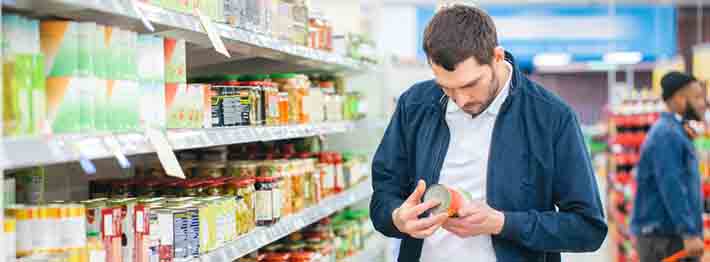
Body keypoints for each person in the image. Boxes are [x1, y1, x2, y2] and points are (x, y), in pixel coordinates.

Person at [369, 4, 607, 262]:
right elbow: (383, 196)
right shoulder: (414, 105)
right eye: (446, 87)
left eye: (471, 84)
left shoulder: (551, 117)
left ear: (497, 56)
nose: (460, 99)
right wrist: (397, 218)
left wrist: (503, 223)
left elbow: (588, 229)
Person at [631, 71, 707, 262]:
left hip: (668, 235)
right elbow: (671, 185)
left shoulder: (674, 131)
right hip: (665, 239)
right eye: (697, 97)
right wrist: (689, 233)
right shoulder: (667, 135)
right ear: (680, 99)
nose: (703, 103)